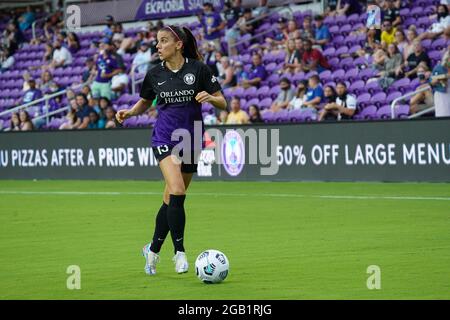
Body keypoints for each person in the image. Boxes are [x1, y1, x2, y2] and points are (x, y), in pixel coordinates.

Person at [115, 25, 226, 275]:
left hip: (191, 139)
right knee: (177, 190)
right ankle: (180, 253)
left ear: (178, 45)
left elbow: (223, 101)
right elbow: (145, 101)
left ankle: (152, 250)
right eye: (157, 41)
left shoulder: (199, 69)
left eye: (163, 41)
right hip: (164, 138)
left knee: (171, 200)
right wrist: (131, 112)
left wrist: (209, 97)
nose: (158, 45)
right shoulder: (154, 74)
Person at [430, 50, 450, 117]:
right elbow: (432, 81)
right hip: (442, 95)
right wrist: (444, 77)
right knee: (443, 115)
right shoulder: (439, 67)